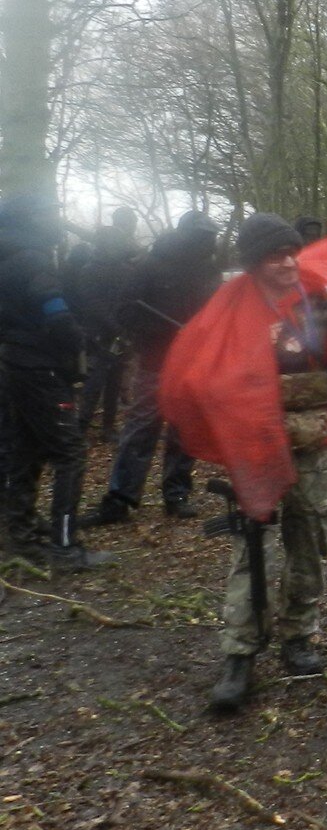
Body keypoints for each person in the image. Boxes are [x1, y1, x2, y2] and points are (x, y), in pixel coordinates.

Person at [160, 215, 327, 710]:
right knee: (249, 551)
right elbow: (198, 373)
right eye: (275, 254)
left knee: (310, 542)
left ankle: (298, 636)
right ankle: (240, 651)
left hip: (316, 444)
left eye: (292, 252)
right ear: (254, 262)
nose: (288, 262)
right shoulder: (230, 309)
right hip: (257, 447)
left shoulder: (319, 299)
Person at [81, 209, 221, 524]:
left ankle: (177, 494)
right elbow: (126, 311)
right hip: (156, 364)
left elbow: (218, 316)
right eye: (201, 237)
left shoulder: (210, 272)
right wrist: (168, 332)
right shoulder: (151, 266)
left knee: (184, 431)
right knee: (142, 429)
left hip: (194, 366)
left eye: (209, 237)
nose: (207, 243)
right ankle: (120, 499)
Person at [0, 195, 113, 571]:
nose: (58, 221)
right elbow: (55, 314)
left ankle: (20, 534)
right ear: (33, 217)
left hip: (17, 363)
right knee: (70, 452)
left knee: (26, 449)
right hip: (41, 368)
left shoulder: (10, 255)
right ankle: (64, 546)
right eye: (51, 213)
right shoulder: (32, 260)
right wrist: (79, 340)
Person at [66, 207, 142, 440]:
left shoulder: (126, 271)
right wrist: (116, 327)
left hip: (118, 333)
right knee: (94, 381)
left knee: (114, 380)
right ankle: (81, 425)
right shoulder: (89, 270)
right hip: (97, 334)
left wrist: (126, 329)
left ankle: (108, 427)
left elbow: (130, 301)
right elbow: (91, 303)